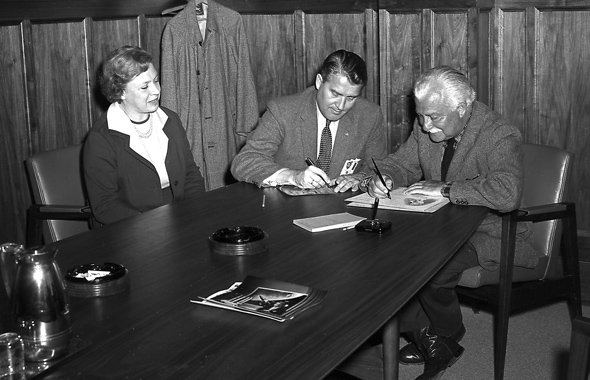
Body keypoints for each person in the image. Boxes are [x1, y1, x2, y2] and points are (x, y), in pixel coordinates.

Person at [364, 66, 538, 379]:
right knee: (381, 255)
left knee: (430, 268)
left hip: (490, 232)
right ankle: (437, 337)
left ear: (462, 108)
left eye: (434, 117)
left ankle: (443, 333)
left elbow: (507, 193)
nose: (426, 125)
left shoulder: (498, 133)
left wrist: (446, 189)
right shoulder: (426, 124)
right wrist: (385, 177)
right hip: (439, 226)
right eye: (421, 116)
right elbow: (400, 164)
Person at [230, 49, 387, 192]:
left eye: (351, 98)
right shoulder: (283, 111)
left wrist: (360, 179)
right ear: (319, 82)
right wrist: (293, 176)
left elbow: (378, 168)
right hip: (286, 210)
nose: (341, 106)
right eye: (335, 94)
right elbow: (244, 161)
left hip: (342, 211)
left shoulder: (370, 115)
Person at [84, 46, 206, 225]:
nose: (156, 91)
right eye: (144, 87)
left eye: (156, 81)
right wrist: (154, 225)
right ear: (121, 92)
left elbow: (190, 174)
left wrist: (192, 212)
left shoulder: (170, 119)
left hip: (179, 218)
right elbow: (106, 206)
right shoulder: (101, 139)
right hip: (132, 228)